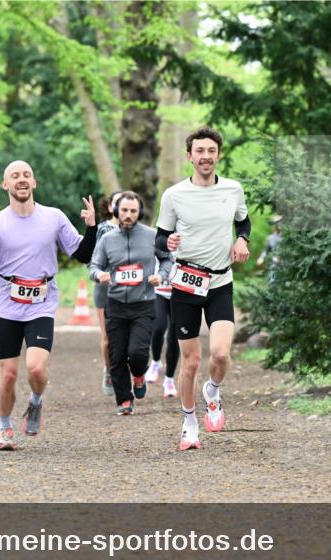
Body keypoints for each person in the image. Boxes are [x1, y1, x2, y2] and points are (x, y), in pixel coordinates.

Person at [0, 160, 97, 450]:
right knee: (8, 374)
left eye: (26, 175)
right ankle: (4, 427)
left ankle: (36, 401)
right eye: (15, 176)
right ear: (6, 185)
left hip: (41, 302)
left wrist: (91, 228)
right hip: (7, 305)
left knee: (36, 369)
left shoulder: (54, 217)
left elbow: (82, 254)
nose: (21, 179)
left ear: (34, 183)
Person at [155, 127, 251, 451]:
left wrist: (242, 239)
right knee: (191, 361)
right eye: (200, 151)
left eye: (211, 150)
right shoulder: (174, 195)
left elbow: (244, 221)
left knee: (221, 354)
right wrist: (166, 243)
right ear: (189, 156)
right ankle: (189, 422)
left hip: (220, 282)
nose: (206, 156)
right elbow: (159, 239)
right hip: (185, 284)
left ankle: (212, 391)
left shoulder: (234, 189)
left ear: (218, 155)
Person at [90, 191, 173, 415]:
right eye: (124, 210)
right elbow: (94, 266)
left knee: (136, 353)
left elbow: (167, 259)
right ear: (117, 211)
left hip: (143, 303)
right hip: (115, 303)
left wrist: (161, 276)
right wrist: (100, 276)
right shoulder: (107, 239)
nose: (128, 215)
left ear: (140, 213)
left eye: (133, 211)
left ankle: (138, 375)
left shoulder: (152, 236)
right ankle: (124, 400)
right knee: (117, 356)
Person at [90, 191, 122, 395]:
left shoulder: (137, 232)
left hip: (130, 290)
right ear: (110, 207)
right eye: (118, 203)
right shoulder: (102, 230)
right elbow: (93, 261)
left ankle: (127, 372)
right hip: (104, 290)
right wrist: (101, 274)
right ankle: (109, 371)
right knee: (109, 338)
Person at [146, 252, 179, 398]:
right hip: (159, 291)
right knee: (158, 327)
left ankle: (169, 380)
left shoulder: (190, 237)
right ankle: (156, 362)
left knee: (174, 337)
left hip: (180, 294)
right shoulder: (160, 238)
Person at [255, 215, 282, 282]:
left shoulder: (287, 237)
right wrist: (261, 258)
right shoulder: (270, 238)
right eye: (276, 223)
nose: (277, 225)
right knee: (272, 281)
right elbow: (267, 250)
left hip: (285, 264)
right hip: (274, 265)